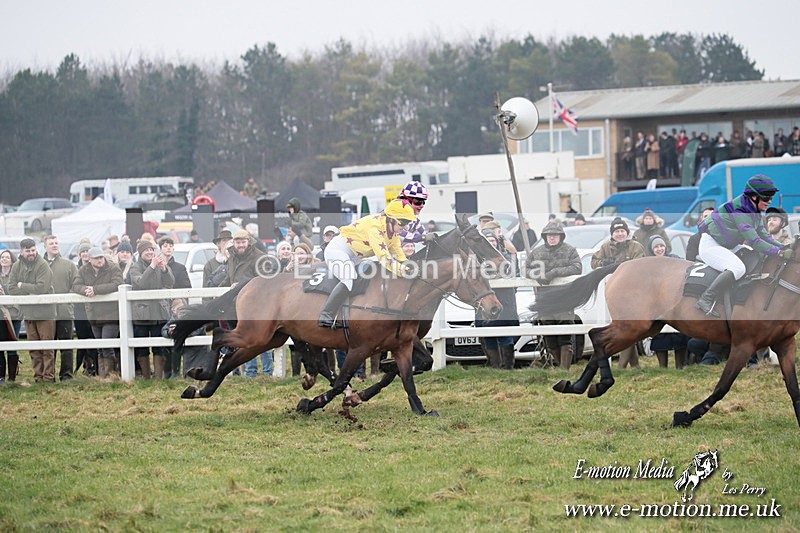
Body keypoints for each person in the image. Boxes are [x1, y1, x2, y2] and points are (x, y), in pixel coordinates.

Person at [696, 175, 789, 317]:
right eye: (766, 197)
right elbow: (755, 242)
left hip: (728, 245)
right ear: (753, 197)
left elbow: (764, 235)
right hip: (711, 246)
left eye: (771, 197)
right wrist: (779, 253)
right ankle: (706, 298)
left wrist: (783, 247)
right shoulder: (741, 211)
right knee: (738, 268)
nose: (769, 201)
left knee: (754, 256)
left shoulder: (753, 209)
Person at [318, 199, 415, 328]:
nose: (405, 227)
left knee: (370, 271)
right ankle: (326, 315)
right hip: (337, 250)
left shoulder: (392, 234)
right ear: (390, 219)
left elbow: (399, 255)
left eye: (408, 223)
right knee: (348, 279)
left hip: (354, 254)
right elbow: (384, 258)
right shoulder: (375, 229)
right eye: (403, 222)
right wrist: (403, 270)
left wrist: (411, 266)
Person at [591, 218, 645, 368]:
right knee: (625, 326)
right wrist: (603, 263)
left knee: (628, 326)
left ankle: (621, 366)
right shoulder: (605, 247)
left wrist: (617, 266)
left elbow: (640, 265)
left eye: (622, 231)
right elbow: (593, 262)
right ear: (612, 234)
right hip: (614, 293)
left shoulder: (635, 246)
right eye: (616, 231)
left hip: (633, 291)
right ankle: (635, 366)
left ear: (627, 233)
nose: (620, 234)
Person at [527, 220, 581, 368]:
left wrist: (555, 273)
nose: (552, 237)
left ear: (561, 236)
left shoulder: (570, 250)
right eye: (549, 235)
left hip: (564, 299)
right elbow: (525, 270)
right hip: (544, 300)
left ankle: (564, 369)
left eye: (555, 235)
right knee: (549, 337)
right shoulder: (536, 252)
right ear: (545, 236)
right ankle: (559, 366)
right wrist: (538, 274)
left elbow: (577, 267)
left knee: (565, 336)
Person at [72, 247, 124, 378]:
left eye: (101, 257)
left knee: (107, 345)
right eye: (96, 258)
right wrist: (86, 290)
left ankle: (111, 375)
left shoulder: (113, 268)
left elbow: (117, 283)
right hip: (94, 314)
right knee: (100, 347)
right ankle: (103, 376)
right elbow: (76, 285)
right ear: (90, 259)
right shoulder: (83, 270)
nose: (100, 260)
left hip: (111, 313)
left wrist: (96, 290)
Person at [9, 238, 56, 382]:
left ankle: (48, 377)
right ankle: (38, 376)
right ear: (22, 251)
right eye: (28, 251)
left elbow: (42, 288)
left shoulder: (43, 265)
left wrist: (22, 286)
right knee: (33, 348)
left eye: (33, 250)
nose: (31, 253)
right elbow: (11, 288)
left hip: (45, 313)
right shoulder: (16, 266)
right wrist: (30, 290)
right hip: (28, 313)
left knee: (47, 347)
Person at [130, 239, 174, 378]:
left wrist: (164, 269)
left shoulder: (159, 264)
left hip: (159, 312)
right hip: (142, 314)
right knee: (142, 348)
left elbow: (170, 282)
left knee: (159, 346)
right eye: (146, 250)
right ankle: (146, 378)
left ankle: (158, 378)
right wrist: (152, 266)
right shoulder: (135, 267)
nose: (149, 252)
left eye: (151, 250)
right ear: (140, 253)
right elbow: (141, 283)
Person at [476, 229, 519, 369]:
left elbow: (509, 272)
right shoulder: (477, 259)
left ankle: (507, 366)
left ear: (497, 242)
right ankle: (495, 366)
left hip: (505, 301)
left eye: (493, 240)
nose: (491, 243)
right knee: (488, 334)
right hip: (485, 302)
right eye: (488, 241)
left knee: (505, 333)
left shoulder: (505, 257)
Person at [646, 235, 690, 369]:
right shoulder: (648, 263)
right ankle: (662, 367)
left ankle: (680, 366)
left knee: (679, 334)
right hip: (657, 304)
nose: (659, 249)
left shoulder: (675, 259)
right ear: (651, 249)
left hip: (675, 301)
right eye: (656, 247)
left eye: (661, 246)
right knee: (659, 335)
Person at [43, 235, 79, 381]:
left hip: (64, 311)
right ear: (45, 246)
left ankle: (66, 375)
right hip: (46, 313)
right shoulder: (39, 266)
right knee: (48, 347)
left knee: (66, 345)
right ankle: (48, 375)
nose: (54, 245)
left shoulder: (69, 265)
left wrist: (67, 299)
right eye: (51, 243)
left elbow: (76, 284)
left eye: (56, 243)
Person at [158, 236, 191, 378]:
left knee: (178, 337)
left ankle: (179, 371)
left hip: (176, 306)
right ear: (160, 248)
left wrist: (179, 302)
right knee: (165, 340)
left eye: (170, 245)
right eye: (165, 245)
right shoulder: (155, 266)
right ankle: (167, 371)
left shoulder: (180, 267)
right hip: (160, 307)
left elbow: (187, 287)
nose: (168, 248)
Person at [72, 243, 97, 376]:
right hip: (80, 309)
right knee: (82, 336)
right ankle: (86, 365)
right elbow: (74, 285)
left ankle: (95, 365)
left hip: (94, 308)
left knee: (93, 335)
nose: (85, 253)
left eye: (88, 251)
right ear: (79, 254)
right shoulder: (76, 269)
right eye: (83, 251)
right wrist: (85, 290)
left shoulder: (96, 268)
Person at [0, 249, 21, 382]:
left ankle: (12, 377)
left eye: (7, 257)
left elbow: (17, 294)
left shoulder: (16, 276)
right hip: (1, 316)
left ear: (12, 260)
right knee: (0, 345)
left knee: (12, 344)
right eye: (2, 257)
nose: (4, 259)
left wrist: (4, 294)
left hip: (14, 315)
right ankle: (1, 376)